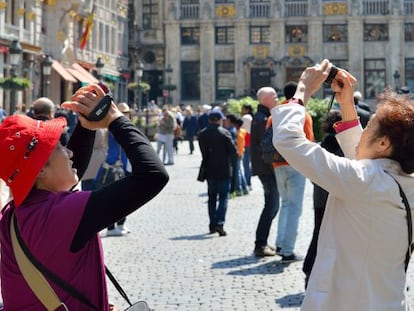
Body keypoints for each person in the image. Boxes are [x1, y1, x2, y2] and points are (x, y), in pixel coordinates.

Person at [0, 84, 169, 310]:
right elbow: (153, 176)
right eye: (59, 146)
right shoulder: (60, 214)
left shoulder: (14, 215)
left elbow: (71, 169)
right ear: (39, 171)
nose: (68, 151)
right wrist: (116, 120)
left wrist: (86, 126)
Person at [265, 59, 414, 310]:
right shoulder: (398, 182)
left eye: (369, 127)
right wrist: (346, 103)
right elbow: (363, 161)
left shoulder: (365, 181)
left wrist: (302, 92)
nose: (363, 131)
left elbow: (289, 140)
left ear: (383, 144)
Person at [267, 81, 314, 263]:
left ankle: (280, 243)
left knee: (285, 203)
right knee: (295, 207)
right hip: (296, 164)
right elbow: (308, 141)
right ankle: (288, 250)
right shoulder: (302, 114)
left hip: (277, 164)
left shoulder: (275, 114)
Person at [302, 110, 344, 288]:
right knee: (326, 234)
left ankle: (310, 269)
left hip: (320, 196)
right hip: (332, 197)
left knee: (319, 232)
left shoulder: (322, 144)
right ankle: (312, 269)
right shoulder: (339, 143)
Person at [198, 110, 237, 236]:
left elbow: (204, 153)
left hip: (209, 169)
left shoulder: (202, 134)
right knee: (223, 198)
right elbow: (233, 152)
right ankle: (220, 223)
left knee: (212, 198)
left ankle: (212, 224)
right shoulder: (225, 133)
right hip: (224, 169)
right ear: (220, 120)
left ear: (209, 120)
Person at [251, 87, 280, 257]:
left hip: (265, 167)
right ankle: (260, 244)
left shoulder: (262, 116)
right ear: (264, 99)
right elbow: (266, 146)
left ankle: (263, 242)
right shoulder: (263, 119)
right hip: (267, 168)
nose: (277, 97)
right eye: (273, 96)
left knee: (272, 205)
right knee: (271, 205)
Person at [99, 103, 133, 236]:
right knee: (115, 199)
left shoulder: (124, 126)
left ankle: (120, 224)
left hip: (125, 165)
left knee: (125, 199)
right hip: (116, 166)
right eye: (123, 112)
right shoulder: (115, 128)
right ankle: (111, 227)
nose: (126, 115)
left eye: (127, 112)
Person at [241, 104, 254, 190]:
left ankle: (247, 182)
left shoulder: (245, 118)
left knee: (245, 164)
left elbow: (241, 129)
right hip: (251, 141)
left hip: (246, 141)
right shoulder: (252, 117)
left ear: (246, 110)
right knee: (248, 163)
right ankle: (248, 182)